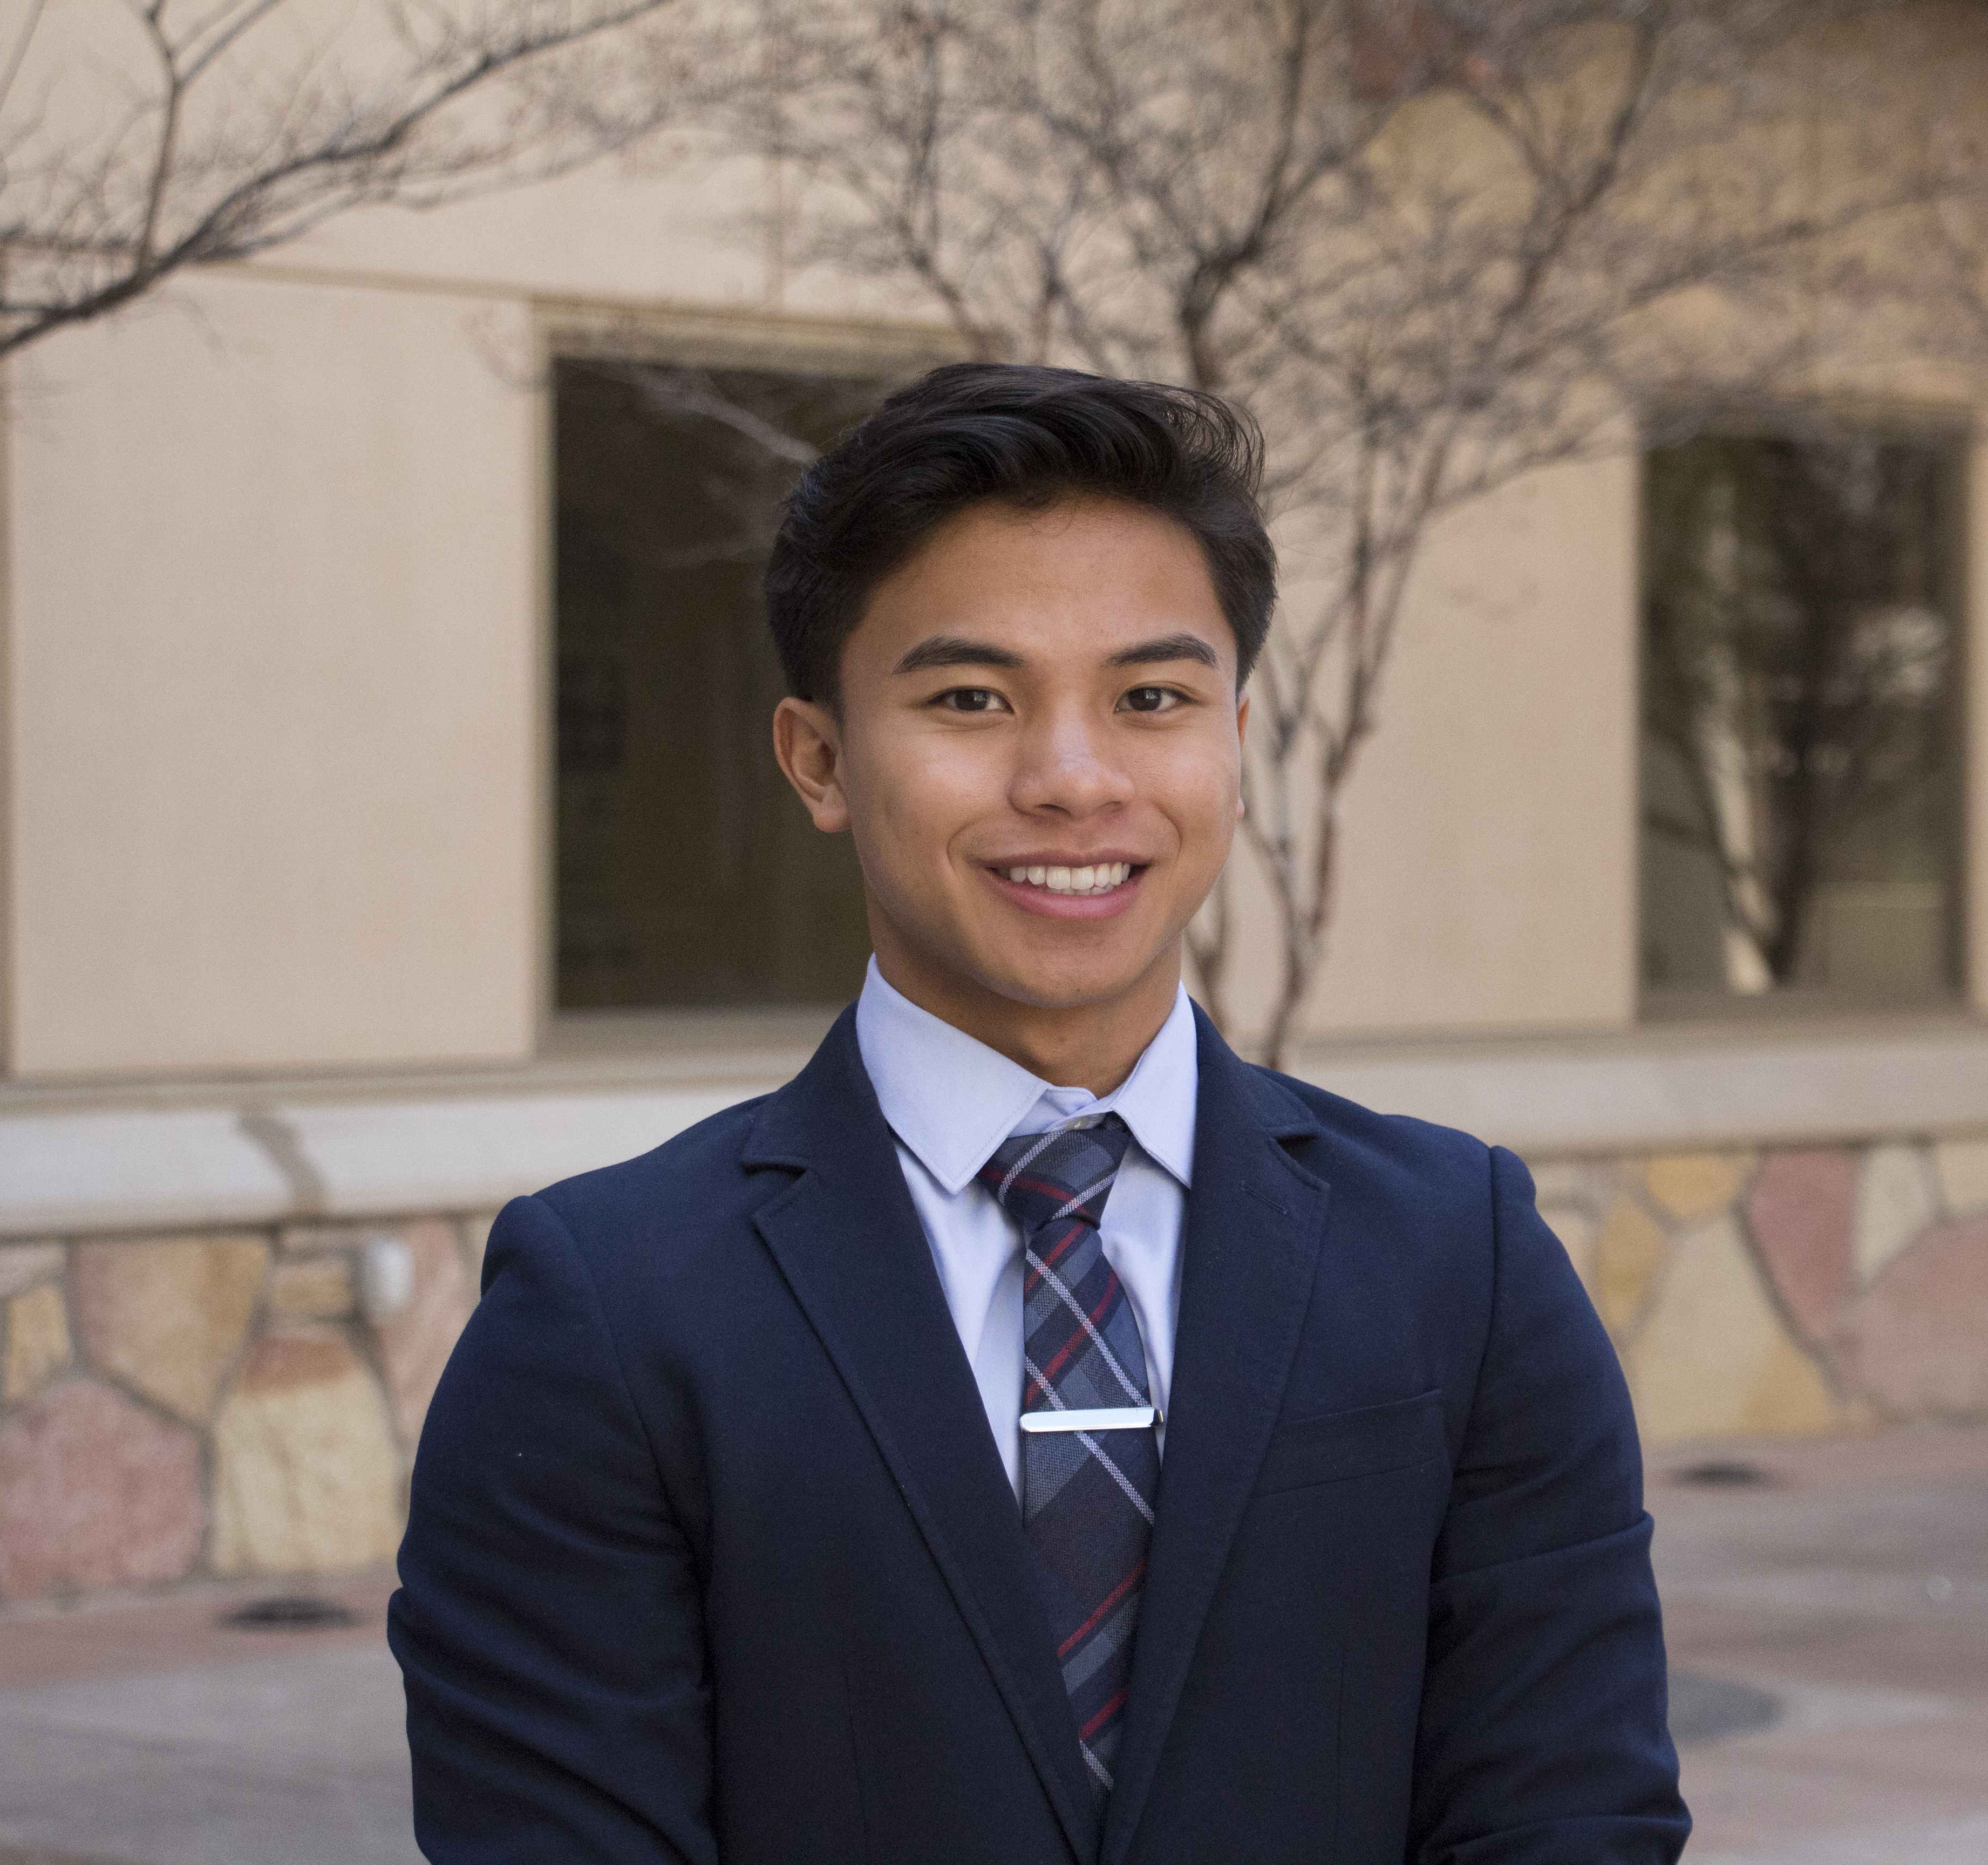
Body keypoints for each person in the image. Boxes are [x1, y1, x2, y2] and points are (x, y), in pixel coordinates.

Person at [390, 363, 1688, 1864]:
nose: (1074, 779)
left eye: (1151, 698)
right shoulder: (606, 1313)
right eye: (970, 699)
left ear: (1236, 741)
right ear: (818, 758)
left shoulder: (1461, 1259)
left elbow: (1571, 1815)